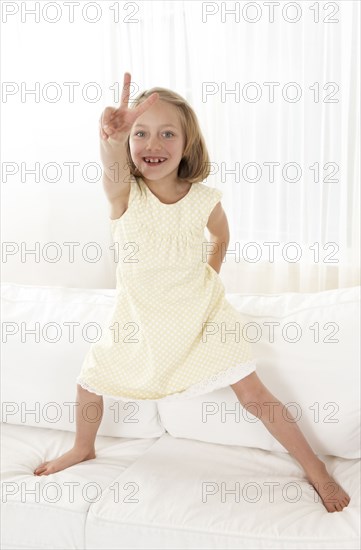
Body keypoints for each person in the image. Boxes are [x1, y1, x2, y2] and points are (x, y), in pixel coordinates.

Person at [34, 73, 350, 513]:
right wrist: (110, 138)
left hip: (202, 316)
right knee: (89, 382)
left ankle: (315, 468)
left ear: (187, 144)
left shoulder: (202, 198)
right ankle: (82, 447)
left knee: (255, 394)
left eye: (167, 133)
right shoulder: (125, 196)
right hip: (140, 319)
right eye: (140, 134)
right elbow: (110, 170)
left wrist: (210, 277)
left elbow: (221, 234)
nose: (153, 143)